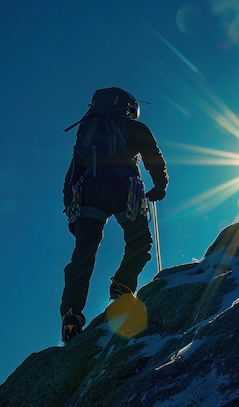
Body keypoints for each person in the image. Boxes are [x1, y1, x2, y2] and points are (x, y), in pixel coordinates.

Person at [60, 87, 168, 343]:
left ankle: (71, 315)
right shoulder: (131, 127)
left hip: (89, 194)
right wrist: (160, 186)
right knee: (140, 242)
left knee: (83, 255)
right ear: (129, 107)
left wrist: (71, 212)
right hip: (123, 190)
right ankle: (122, 286)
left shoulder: (87, 132)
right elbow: (154, 157)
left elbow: (72, 175)